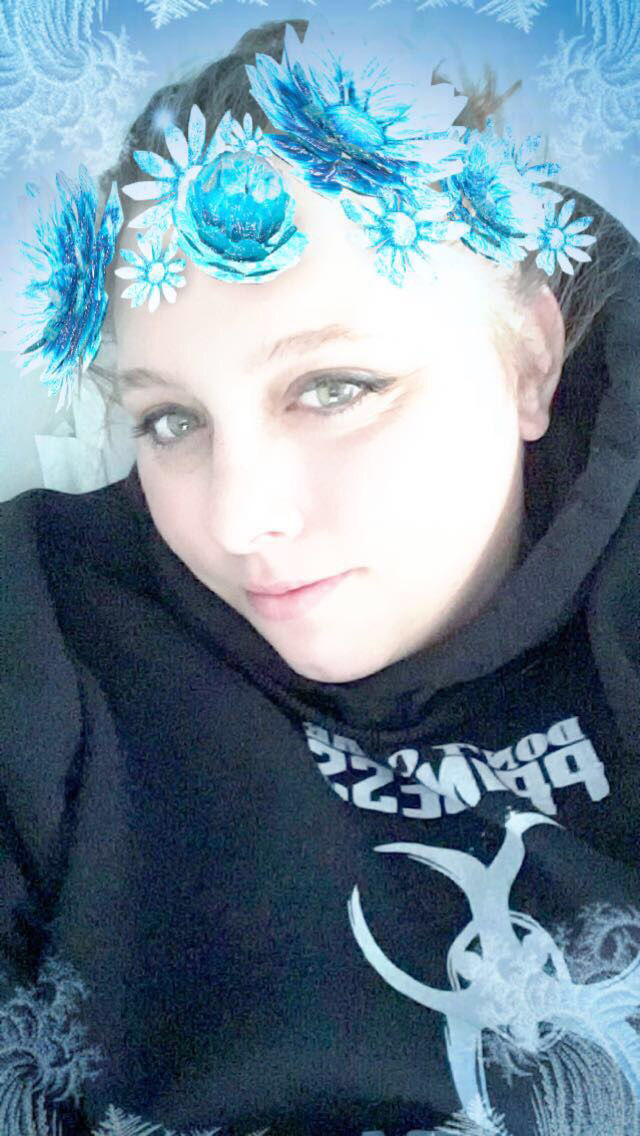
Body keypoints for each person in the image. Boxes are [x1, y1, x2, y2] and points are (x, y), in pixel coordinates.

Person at [1, 16, 639, 1136]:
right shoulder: (45, 619)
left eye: (335, 387)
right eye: (170, 419)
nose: (238, 518)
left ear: (530, 360)